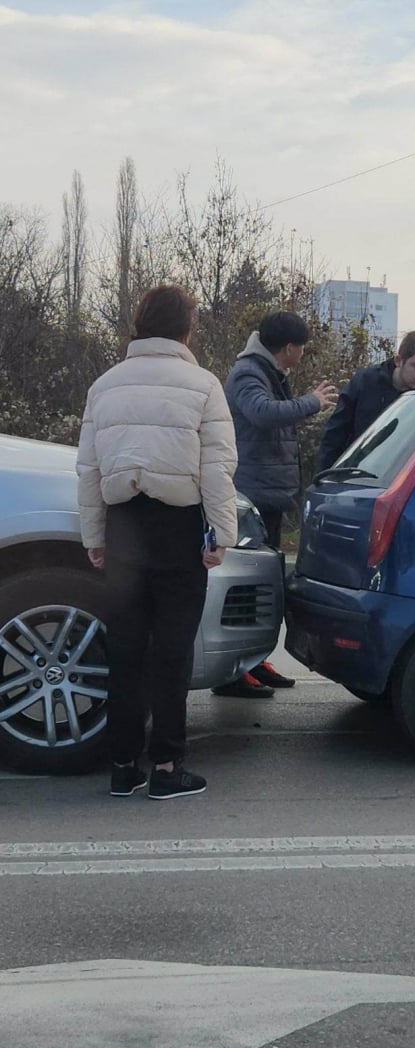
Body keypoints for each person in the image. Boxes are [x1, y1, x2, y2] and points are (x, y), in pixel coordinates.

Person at [76, 284, 238, 799]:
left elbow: (90, 468)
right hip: (178, 528)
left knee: (124, 650)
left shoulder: (105, 385)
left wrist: (94, 534)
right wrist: (221, 535)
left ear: (139, 325)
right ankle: (167, 769)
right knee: (171, 653)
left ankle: (123, 765)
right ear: (187, 328)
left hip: (124, 524)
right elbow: (216, 468)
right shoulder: (203, 384)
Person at [212, 310, 338, 698]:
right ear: (289, 348)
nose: (302, 354)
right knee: (248, 587)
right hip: (250, 495)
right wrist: (312, 402)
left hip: (266, 494)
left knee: (263, 585)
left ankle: (252, 661)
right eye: (302, 347)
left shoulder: (266, 370)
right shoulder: (250, 373)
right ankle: (232, 673)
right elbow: (262, 414)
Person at [317, 330, 415, 473]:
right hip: (356, 474)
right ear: (398, 361)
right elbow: (335, 435)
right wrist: (324, 477)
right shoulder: (365, 383)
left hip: (404, 478)